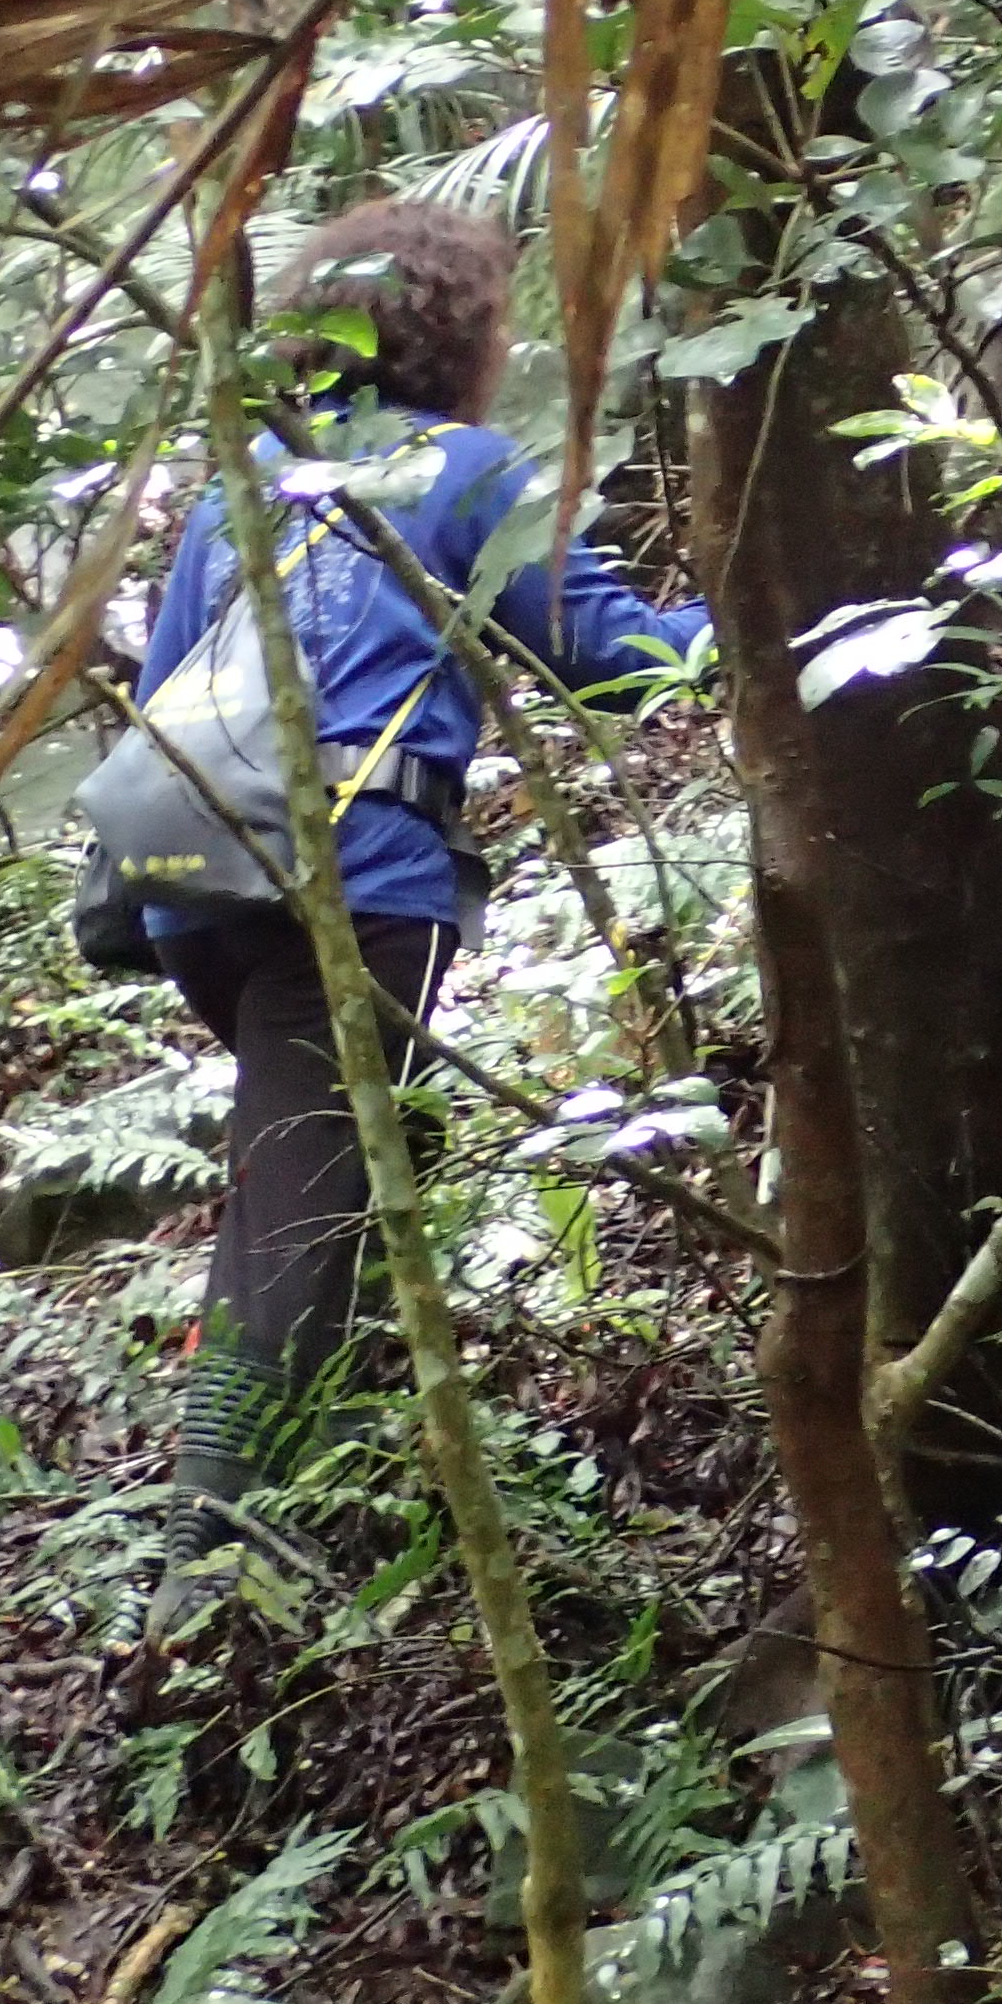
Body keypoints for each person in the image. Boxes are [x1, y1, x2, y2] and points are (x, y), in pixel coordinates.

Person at [113, 201, 704, 1514]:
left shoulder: (238, 489)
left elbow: (159, 712)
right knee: (298, 1225)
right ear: (464, 331)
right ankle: (211, 1561)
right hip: (359, 880)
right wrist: (770, 614)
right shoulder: (466, 472)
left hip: (192, 891)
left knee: (342, 1158)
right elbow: (613, 661)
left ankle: (340, 1466)